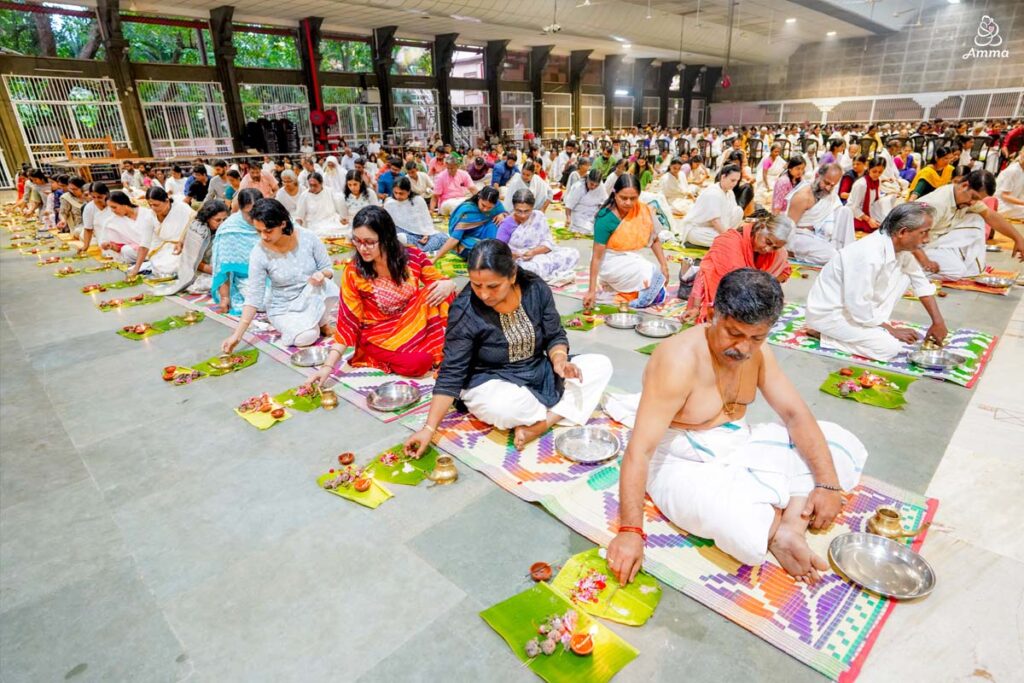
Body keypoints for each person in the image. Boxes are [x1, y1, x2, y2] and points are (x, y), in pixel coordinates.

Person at [604, 269, 866, 585]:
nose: (743, 348)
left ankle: (788, 530)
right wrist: (631, 530)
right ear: (713, 314)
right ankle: (781, 516)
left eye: (756, 338)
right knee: (745, 535)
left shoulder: (757, 351)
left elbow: (795, 414)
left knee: (841, 443)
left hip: (738, 441)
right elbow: (640, 450)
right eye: (733, 333)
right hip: (678, 457)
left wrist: (827, 484)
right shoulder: (677, 361)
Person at [404, 239, 613, 453]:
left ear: (512, 276)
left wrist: (559, 360)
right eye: (477, 285)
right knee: (504, 408)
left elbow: (555, 334)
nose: (484, 294)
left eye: (493, 286)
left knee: (600, 365)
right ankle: (559, 410)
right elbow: (451, 373)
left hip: (537, 370)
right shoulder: (465, 309)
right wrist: (429, 429)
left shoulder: (535, 288)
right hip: (490, 380)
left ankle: (542, 424)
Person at [310, 206, 455, 380]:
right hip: (378, 334)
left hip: (412, 321)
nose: (362, 248)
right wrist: (327, 367)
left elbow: (441, 283)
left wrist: (450, 284)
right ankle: (381, 356)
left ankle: (424, 344)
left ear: (386, 239)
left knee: (442, 290)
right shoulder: (354, 272)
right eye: (357, 241)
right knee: (420, 362)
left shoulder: (413, 257)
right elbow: (347, 323)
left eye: (369, 242)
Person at [807, 203, 948, 361]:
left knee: (906, 275)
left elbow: (921, 282)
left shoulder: (901, 249)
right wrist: (890, 330)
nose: (927, 239)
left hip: (857, 311)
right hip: (831, 316)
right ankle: (824, 335)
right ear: (902, 232)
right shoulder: (868, 255)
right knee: (889, 348)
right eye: (923, 233)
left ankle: (874, 326)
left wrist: (938, 321)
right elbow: (858, 305)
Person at [221, 198, 339, 351]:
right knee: (306, 337)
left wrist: (321, 275)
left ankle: (321, 322)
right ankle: (309, 324)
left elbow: (328, 269)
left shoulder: (308, 237)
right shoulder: (259, 253)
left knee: (330, 287)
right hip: (283, 306)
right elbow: (254, 296)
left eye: (268, 231)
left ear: (283, 224)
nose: (263, 236)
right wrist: (237, 335)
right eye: (259, 231)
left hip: (310, 294)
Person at [914, 170, 1024, 279]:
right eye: (974, 197)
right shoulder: (936, 204)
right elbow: (909, 236)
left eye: (978, 200)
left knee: (976, 219)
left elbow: (991, 216)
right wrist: (925, 261)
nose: (973, 202)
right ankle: (909, 270)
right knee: (956, 272)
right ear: (964, 185)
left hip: (937, 238)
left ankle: (960, 263)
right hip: (915, 247)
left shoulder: (964, 198)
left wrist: (1018, 238)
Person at [685, 213, 794, 323]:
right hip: (724, 305)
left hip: (750, 308)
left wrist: (766, 286)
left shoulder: (777, 254)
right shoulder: (729, 243)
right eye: (768, 242)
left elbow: (785, 271)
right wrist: (695, 307)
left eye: (775, 247)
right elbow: (705, 274)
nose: (768, 249)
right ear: (761, 227)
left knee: (781, 255)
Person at [583, 174, 671, 310]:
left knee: (652, 270)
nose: (628, 203)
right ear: (614, 193)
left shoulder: (643, 210)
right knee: (647, 271)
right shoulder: (605, 218)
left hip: (625, 256)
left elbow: (654, 239)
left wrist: (664, 265)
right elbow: (596, 257)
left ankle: (630, 287)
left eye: (633, 198)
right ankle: (639, 293)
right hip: (607, 261)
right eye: (623, 198)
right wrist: (591, 290)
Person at [496, 189, 580, 284]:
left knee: (573, 253)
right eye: (518, 211)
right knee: (527, 269)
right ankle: (549, 272)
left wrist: (533, 252)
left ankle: (547, 272)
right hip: (520, 261)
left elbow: (548, 243)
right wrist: (513, 255)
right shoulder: (507, 224)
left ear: (532, 207)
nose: (523, 215)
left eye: (527, 211)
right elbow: (499, 251)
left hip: (540, 254)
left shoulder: (539, 216)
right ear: (514, 207)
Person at [152, 200, 230, 297]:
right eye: (218, 220)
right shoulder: (198, 231)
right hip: (200, 269)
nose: (222, 223)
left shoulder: (228, 229)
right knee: (216, 284)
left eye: (225, 220)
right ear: (207, 219)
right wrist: (214, 271)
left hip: (219, 267)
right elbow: (194, 261)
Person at [786, 164, 854, 265]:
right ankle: (800, 255)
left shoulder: (829, 193)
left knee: (846, 211)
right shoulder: (802, 197)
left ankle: (848, 252)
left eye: (832, 185)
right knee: (833, 257)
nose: (828, 188)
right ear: (817, 175)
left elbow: (836, 213)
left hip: (820, 233)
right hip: (800, 236)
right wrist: (787, 250)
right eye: (826, 183)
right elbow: (788, 227)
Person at [211, 188, 263, 314]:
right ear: (240, 209)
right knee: (262, 303)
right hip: (247, 278)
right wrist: (225, 297)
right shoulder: (229, 229)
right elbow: (222, 267)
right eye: (249, 213)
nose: (254, 216)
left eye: (257, 211)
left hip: (277, 273)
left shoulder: (271, 218)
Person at [434, 186, 507, 260]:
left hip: (487, 237)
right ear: (479, 197)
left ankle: (492, 250)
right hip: (468, 240)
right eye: (483, 205)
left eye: (489, 208)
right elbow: (455, 238)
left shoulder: (497, 205)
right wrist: (435, 259)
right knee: (482, 253)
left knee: (495, 223)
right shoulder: (467, 210)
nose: (485, 209)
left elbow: (504, 214)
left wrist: (501, 214)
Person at [139, 186, 195, 279]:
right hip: (162, 248)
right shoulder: (149, 216)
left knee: (179, 263)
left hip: (183, 245)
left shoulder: (181, 207)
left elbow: (194, 221)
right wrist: (136, 268)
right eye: (150, 205)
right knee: (162, 265)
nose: (153, 208)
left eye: (156, 205)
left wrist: (181, 241)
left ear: (167, 201)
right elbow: (144, 243)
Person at [681, 165, 744, 247]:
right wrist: (727, 236)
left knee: (738, 211)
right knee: (727, 240)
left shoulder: (730, 192)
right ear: (723, 177)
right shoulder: (713, 193)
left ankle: (726, 238)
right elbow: (714, 221)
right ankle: (726, 239)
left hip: (717, 228)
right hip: (698, 229)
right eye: (732, 180)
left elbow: (729, 214)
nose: (735, 184)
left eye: (737, 181)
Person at [385, 176, 447, 252]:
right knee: (399, 238)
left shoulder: (418, 200)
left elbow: (425, 220)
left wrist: (426, 234)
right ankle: (421, 249)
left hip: (422, 235)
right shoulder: (389, 203)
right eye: (395, 193)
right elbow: (388, 227)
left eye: (401, 193)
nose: (398, 196)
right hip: (404, 235)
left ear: (408, 191)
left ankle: (417, 249)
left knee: (443, 237)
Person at [102, 191, 156, 270]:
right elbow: (119, 248)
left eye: (114, 207)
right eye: (110, 208)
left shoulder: (146, 213)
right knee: (126, 251)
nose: (112, 211)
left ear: (124, 204)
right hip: (137, 252)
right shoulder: (111, 222)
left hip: (155, 247)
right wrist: (110, 246)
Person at [293, 172, 345, 238]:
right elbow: (299, 216)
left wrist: (342, 218)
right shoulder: (304, 196)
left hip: (332, 220)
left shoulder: (329, 191)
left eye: (315, 185)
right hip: (315, 224)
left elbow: (339, 207)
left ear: (321, 183)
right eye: (310, 185)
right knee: (320, 234)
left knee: (345, 230)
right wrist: (298, 230)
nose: (312, 188)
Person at [847, 157, 890, 233]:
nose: (877, 174)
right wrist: (869, 219)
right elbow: (854, 208)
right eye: (874, 171)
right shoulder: (861, 184)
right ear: (869, 168)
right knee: (877, 229)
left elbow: (874, 200)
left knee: (886, 224)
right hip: (855, 215)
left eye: (880, 172)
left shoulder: (877, 181)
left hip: (868, 212)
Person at [563, 168, 607, 236]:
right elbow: (569, 205)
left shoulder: (601, 186)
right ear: (588, 179)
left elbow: (604, 201)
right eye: (591, 184)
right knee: (586, 230)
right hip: (579, 214)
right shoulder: (578, 187)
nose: (593, 187)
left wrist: (599, 212)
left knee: (603, 228)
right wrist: (568, 218)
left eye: (596, 185)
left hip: (594, 213)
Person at [75, 182, 112, 255]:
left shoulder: (113, 203)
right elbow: (88, 229)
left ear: (106, 194)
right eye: (93, 197)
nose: (96, 200)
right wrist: (85, 246)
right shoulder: (89, 208)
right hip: (104, 241)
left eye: (99, 197)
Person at [995, 151, 1024, 222]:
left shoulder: (1021, 170)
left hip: (1013, 202)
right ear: (1021, 154)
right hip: (1001, 204)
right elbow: (1004, 196)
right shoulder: (1013, 170)